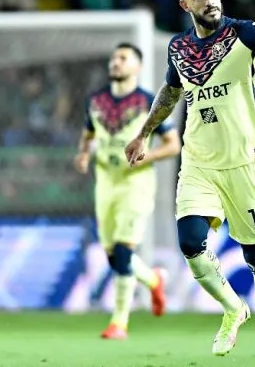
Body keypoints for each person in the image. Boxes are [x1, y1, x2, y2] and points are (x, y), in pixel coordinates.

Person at [124, 0, 255, 367]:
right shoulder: (179, 49)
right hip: (199, 161)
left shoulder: (243, 34)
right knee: (190, 242)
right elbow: (170, 93)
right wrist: (144, 133)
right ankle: (233, 308)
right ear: (184, 4)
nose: (210, 1)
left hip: (243, 161)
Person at [74, 42, 182, 339]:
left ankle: (119, 322)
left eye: (123, 58)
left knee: (123, 249)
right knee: (112, 255)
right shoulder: (95, 100)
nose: (115, 62)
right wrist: (83, 154)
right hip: (104, 181)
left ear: (137, 66)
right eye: (113, 57)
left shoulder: (150, 102)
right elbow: (88, 134)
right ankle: (153, 279)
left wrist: (146, 156)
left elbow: (173, 145)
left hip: (136, 182)